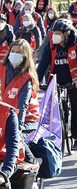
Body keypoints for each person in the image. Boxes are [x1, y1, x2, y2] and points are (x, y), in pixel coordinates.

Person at [36, 18, 77, 149]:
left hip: (74, 80)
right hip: (56, 79)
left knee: (76, 107)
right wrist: (36, 80)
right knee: (54, 108)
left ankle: (76, 137)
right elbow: (43, 63)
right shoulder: (51, 44)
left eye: (58, 33)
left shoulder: (75, 43)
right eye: (54, 33)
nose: (55, 36)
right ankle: (57, 134)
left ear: (66, 34)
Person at [0, 39, 39, 163]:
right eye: (13, 51)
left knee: (14, 136)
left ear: (25, 56)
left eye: (19, 52)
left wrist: (18, 127)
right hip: (6, 115)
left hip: (27, 118)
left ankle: (33, 164)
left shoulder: (27, 77)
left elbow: (23, 106)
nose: (14, 54)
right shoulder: (1, 68)